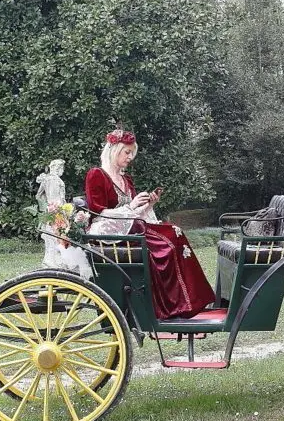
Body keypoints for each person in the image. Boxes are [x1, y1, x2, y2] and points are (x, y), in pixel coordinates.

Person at [84, 128, 215, 319]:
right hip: (108, 228)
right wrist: (132, 205)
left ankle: (190, 300)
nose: (130, 157)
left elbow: (135, 212)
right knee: (168, 241)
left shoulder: (125, 179)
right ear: (114, 150)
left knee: (174, 232)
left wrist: (148, 203)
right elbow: (97, 211)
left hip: (131, 224)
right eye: (127, 152)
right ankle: (174, 304)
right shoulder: (97, 175)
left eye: (132, 153)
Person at [36, 159, 66, 268]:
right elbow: (58, 198)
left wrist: (45, 207)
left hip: (51, 210)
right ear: (57, 168)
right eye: (62, 168)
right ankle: (53, 261)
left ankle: (51, 260)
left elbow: (38, 196)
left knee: (52, 237)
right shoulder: (55, 180)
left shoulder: (47, 179)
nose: (63, 171)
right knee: (55, 236)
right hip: (56, 210)